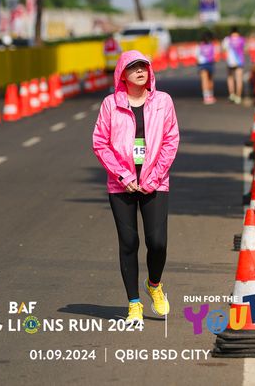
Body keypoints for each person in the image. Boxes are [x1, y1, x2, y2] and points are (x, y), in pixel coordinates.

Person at [92, 50, 180, 324]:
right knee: (129, 242)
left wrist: (153, 177)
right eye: (133, 67)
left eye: (143, 66)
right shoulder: (110, 104)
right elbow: (100, 143)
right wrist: (122, 176)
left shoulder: (163, 101)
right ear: (122, 74)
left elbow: (171, 140)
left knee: (158, 242)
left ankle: (154, 284)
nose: (140, 71)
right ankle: (133, 305)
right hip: (122, 185)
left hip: (156, 181)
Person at [221, 27, 246, 104]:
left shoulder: (227, 39)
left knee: (230, 78)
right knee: (239, 79)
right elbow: (245, 49)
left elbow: (223, 49)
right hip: (239, 61)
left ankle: (232, 94)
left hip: (230, 62)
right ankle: (238, 97)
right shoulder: (242, 39)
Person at [196, 30, 216, 105]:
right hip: (210, 63)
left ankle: (206, 97)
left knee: (204, 80)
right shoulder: (212, 45)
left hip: (202, 64)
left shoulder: (200, 45)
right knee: (210, 80)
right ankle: (211, 95)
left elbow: (197, 56)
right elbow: (214, 54)